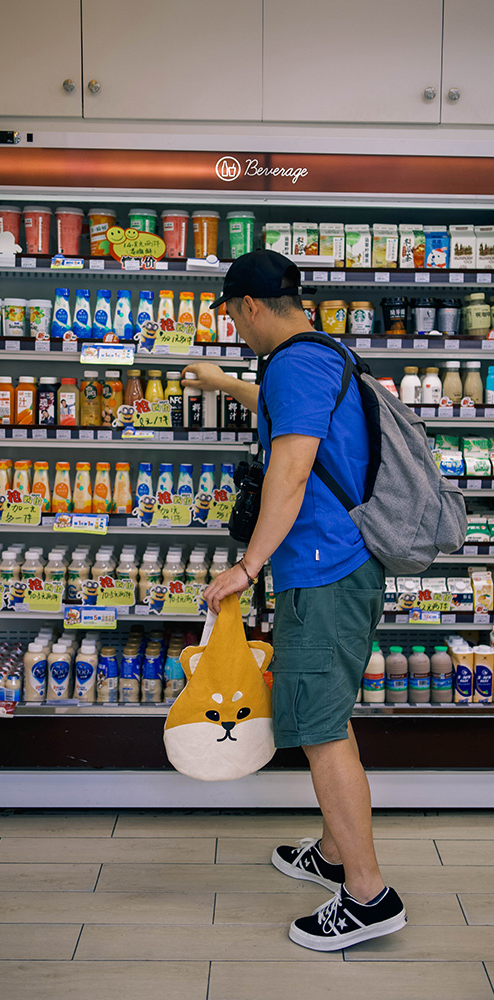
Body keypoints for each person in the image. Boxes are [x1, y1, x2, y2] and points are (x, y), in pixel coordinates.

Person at [185, 250, 407, 952]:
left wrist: (248, 567)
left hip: (323, 569)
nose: (234, 326)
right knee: (328, 714)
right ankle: (334, 854)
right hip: (340, 564)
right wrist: (226, 383)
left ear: (248, 307)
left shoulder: (291, 363)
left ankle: (368, 895)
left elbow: (293, 462)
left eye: (229, 314)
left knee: (319, 731)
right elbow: (292, 414)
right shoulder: (317, 354)